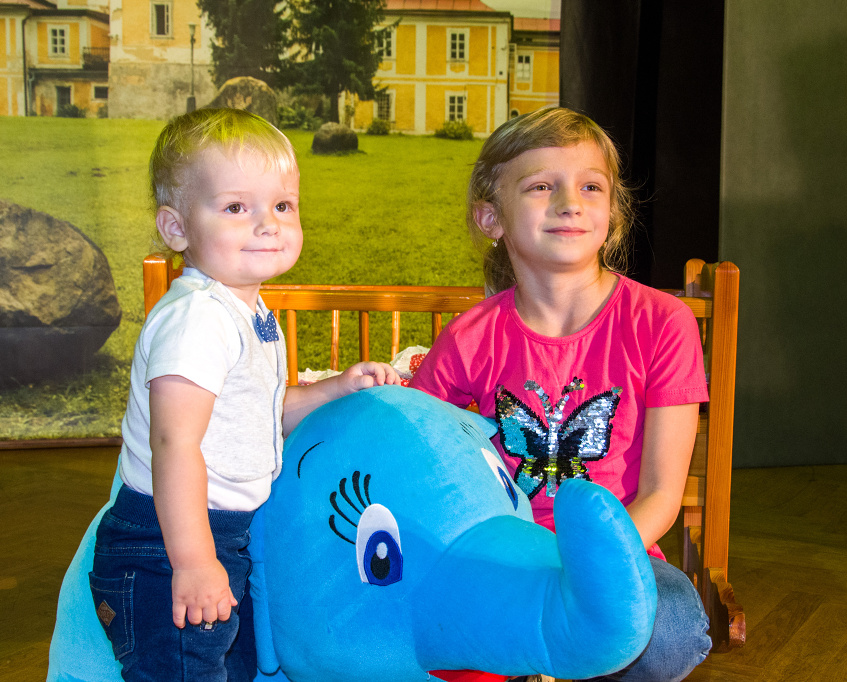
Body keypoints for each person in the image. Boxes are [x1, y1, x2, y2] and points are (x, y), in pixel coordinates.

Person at [88, 108, 399, 681]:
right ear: (176, 228)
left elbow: (259, 415)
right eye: (236, 208)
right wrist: (193, 561)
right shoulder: (198, 318)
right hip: (165, 544)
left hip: (218, 534)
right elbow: (176, 444)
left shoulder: (245, 309)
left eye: (283, 206)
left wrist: (335, 389)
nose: (268, 224)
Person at [410, 107, 711, 682]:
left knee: (670, 629)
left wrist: (588, 563)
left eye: (590, 186)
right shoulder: (470, 336)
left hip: (619, 554)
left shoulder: (662, 322)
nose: (570, 202)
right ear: (491, 217)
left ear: (612, 213)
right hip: (504, 555)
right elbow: (421, 451)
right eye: (542, 186)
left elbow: (661, 494)